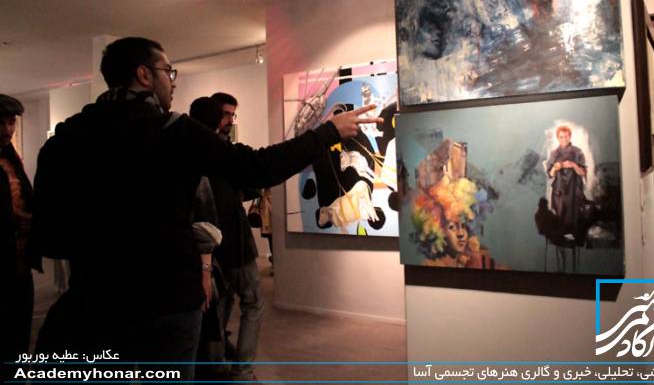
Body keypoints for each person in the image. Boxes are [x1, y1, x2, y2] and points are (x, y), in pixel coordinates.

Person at [31, 37, 380, 381]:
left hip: (96, 299)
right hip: (167, 299)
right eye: (168, 72)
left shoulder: (67, 137)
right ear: (144, 74)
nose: (172, 82)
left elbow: (50, 235)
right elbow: (258, 167)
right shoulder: (172, 131)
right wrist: (326, 133)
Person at [208, 92, 263, 380]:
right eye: (226, 114)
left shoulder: (213, 150)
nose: (230, 120)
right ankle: (241, 370)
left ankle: (217, 365)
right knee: (251, 302)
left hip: (222, 245)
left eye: (233, 115)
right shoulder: (218, 153)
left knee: (221, 306)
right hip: (231, 246)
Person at [0, 95, 36, 382]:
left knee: (19, 333)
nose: (7, 129)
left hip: (19, 262)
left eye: (11, 122)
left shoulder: (11, 158)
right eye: (1, 123)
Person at [410, 176, 496, 269]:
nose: (461, 234)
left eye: (464, 226)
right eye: (452, 227)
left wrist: (474, 257)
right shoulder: (430, 266)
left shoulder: (467, 260)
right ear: (439, 232)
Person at [546, 125, 587, 245]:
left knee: (574, 215)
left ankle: (574, 240)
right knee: (560, 214)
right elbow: (550, 175)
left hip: (574, 189)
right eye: (561, 137)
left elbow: (583, 172)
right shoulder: (554, 153)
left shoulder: (577, 152)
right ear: (557, 138)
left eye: (566, 136)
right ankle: (561, 240)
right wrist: (555, 167)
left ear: (570, 137)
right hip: (559, 190)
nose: (563, 139)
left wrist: (574, 165)